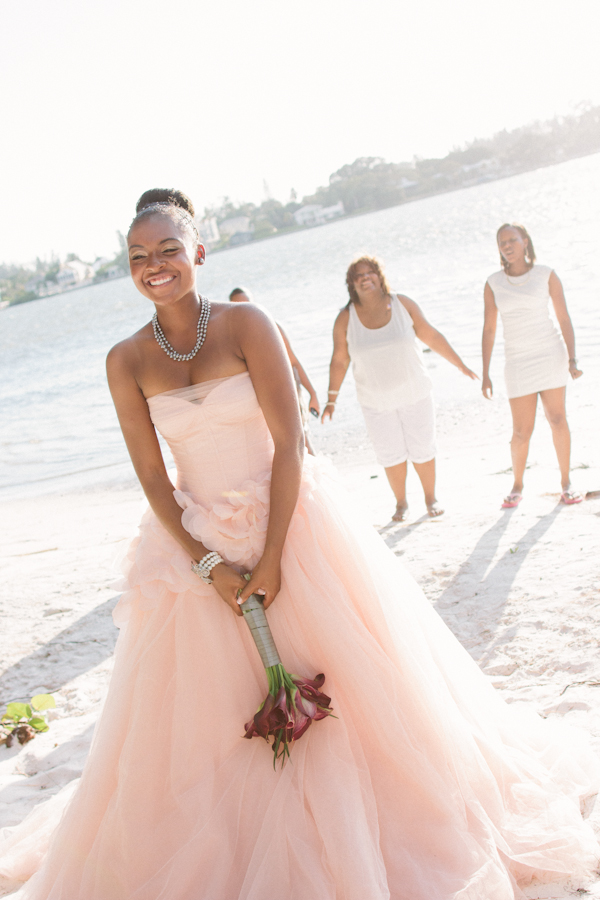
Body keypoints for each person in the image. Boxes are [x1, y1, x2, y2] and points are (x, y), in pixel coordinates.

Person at [3, 193, 599, 900]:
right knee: (206, 725)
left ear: (197, 251)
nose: (153, 266)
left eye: (168, 249)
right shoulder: (125, 359)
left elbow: (290, 445)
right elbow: (154, 483)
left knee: (351, 694)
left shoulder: (247, 324)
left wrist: (275, 555)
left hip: (293, 529)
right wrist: (208, 566)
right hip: (195, 554)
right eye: (138, 257)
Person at [322, 256, 478, 521]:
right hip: (375, 401)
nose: (365, 278)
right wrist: (331, 400)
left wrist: (460, 365)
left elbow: (431, 334)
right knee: (389, 453)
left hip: (415, 392)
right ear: (352, 284)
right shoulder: (345, 318)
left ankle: (431, 498)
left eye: (370, 272)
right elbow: (339, 359)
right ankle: (401, 503)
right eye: (358, 276)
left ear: (380, 276)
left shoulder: (402, 304)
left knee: (423, 447)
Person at [482, 224, 583, 508]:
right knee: (521, 431)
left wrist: (572, 359)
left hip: (550, 354)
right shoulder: (493, 283)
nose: (507, 246)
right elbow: (489, 329)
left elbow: (564, 319)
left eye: (512, 240)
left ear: (525, 242)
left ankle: (566, 483)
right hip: (517, 361)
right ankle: (517, 485)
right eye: (502, 242)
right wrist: (486, 373)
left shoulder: (546, 274)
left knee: (557, 419)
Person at [229, 286, 320, 454]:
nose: (244, 309)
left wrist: (313, 394)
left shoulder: (271, 326)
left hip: (287, 391)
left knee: (302, 441)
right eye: (237, 305)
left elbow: (293, 362)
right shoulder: (230, 339)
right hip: (260, 401)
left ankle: (321, 478)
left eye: (247, 303)